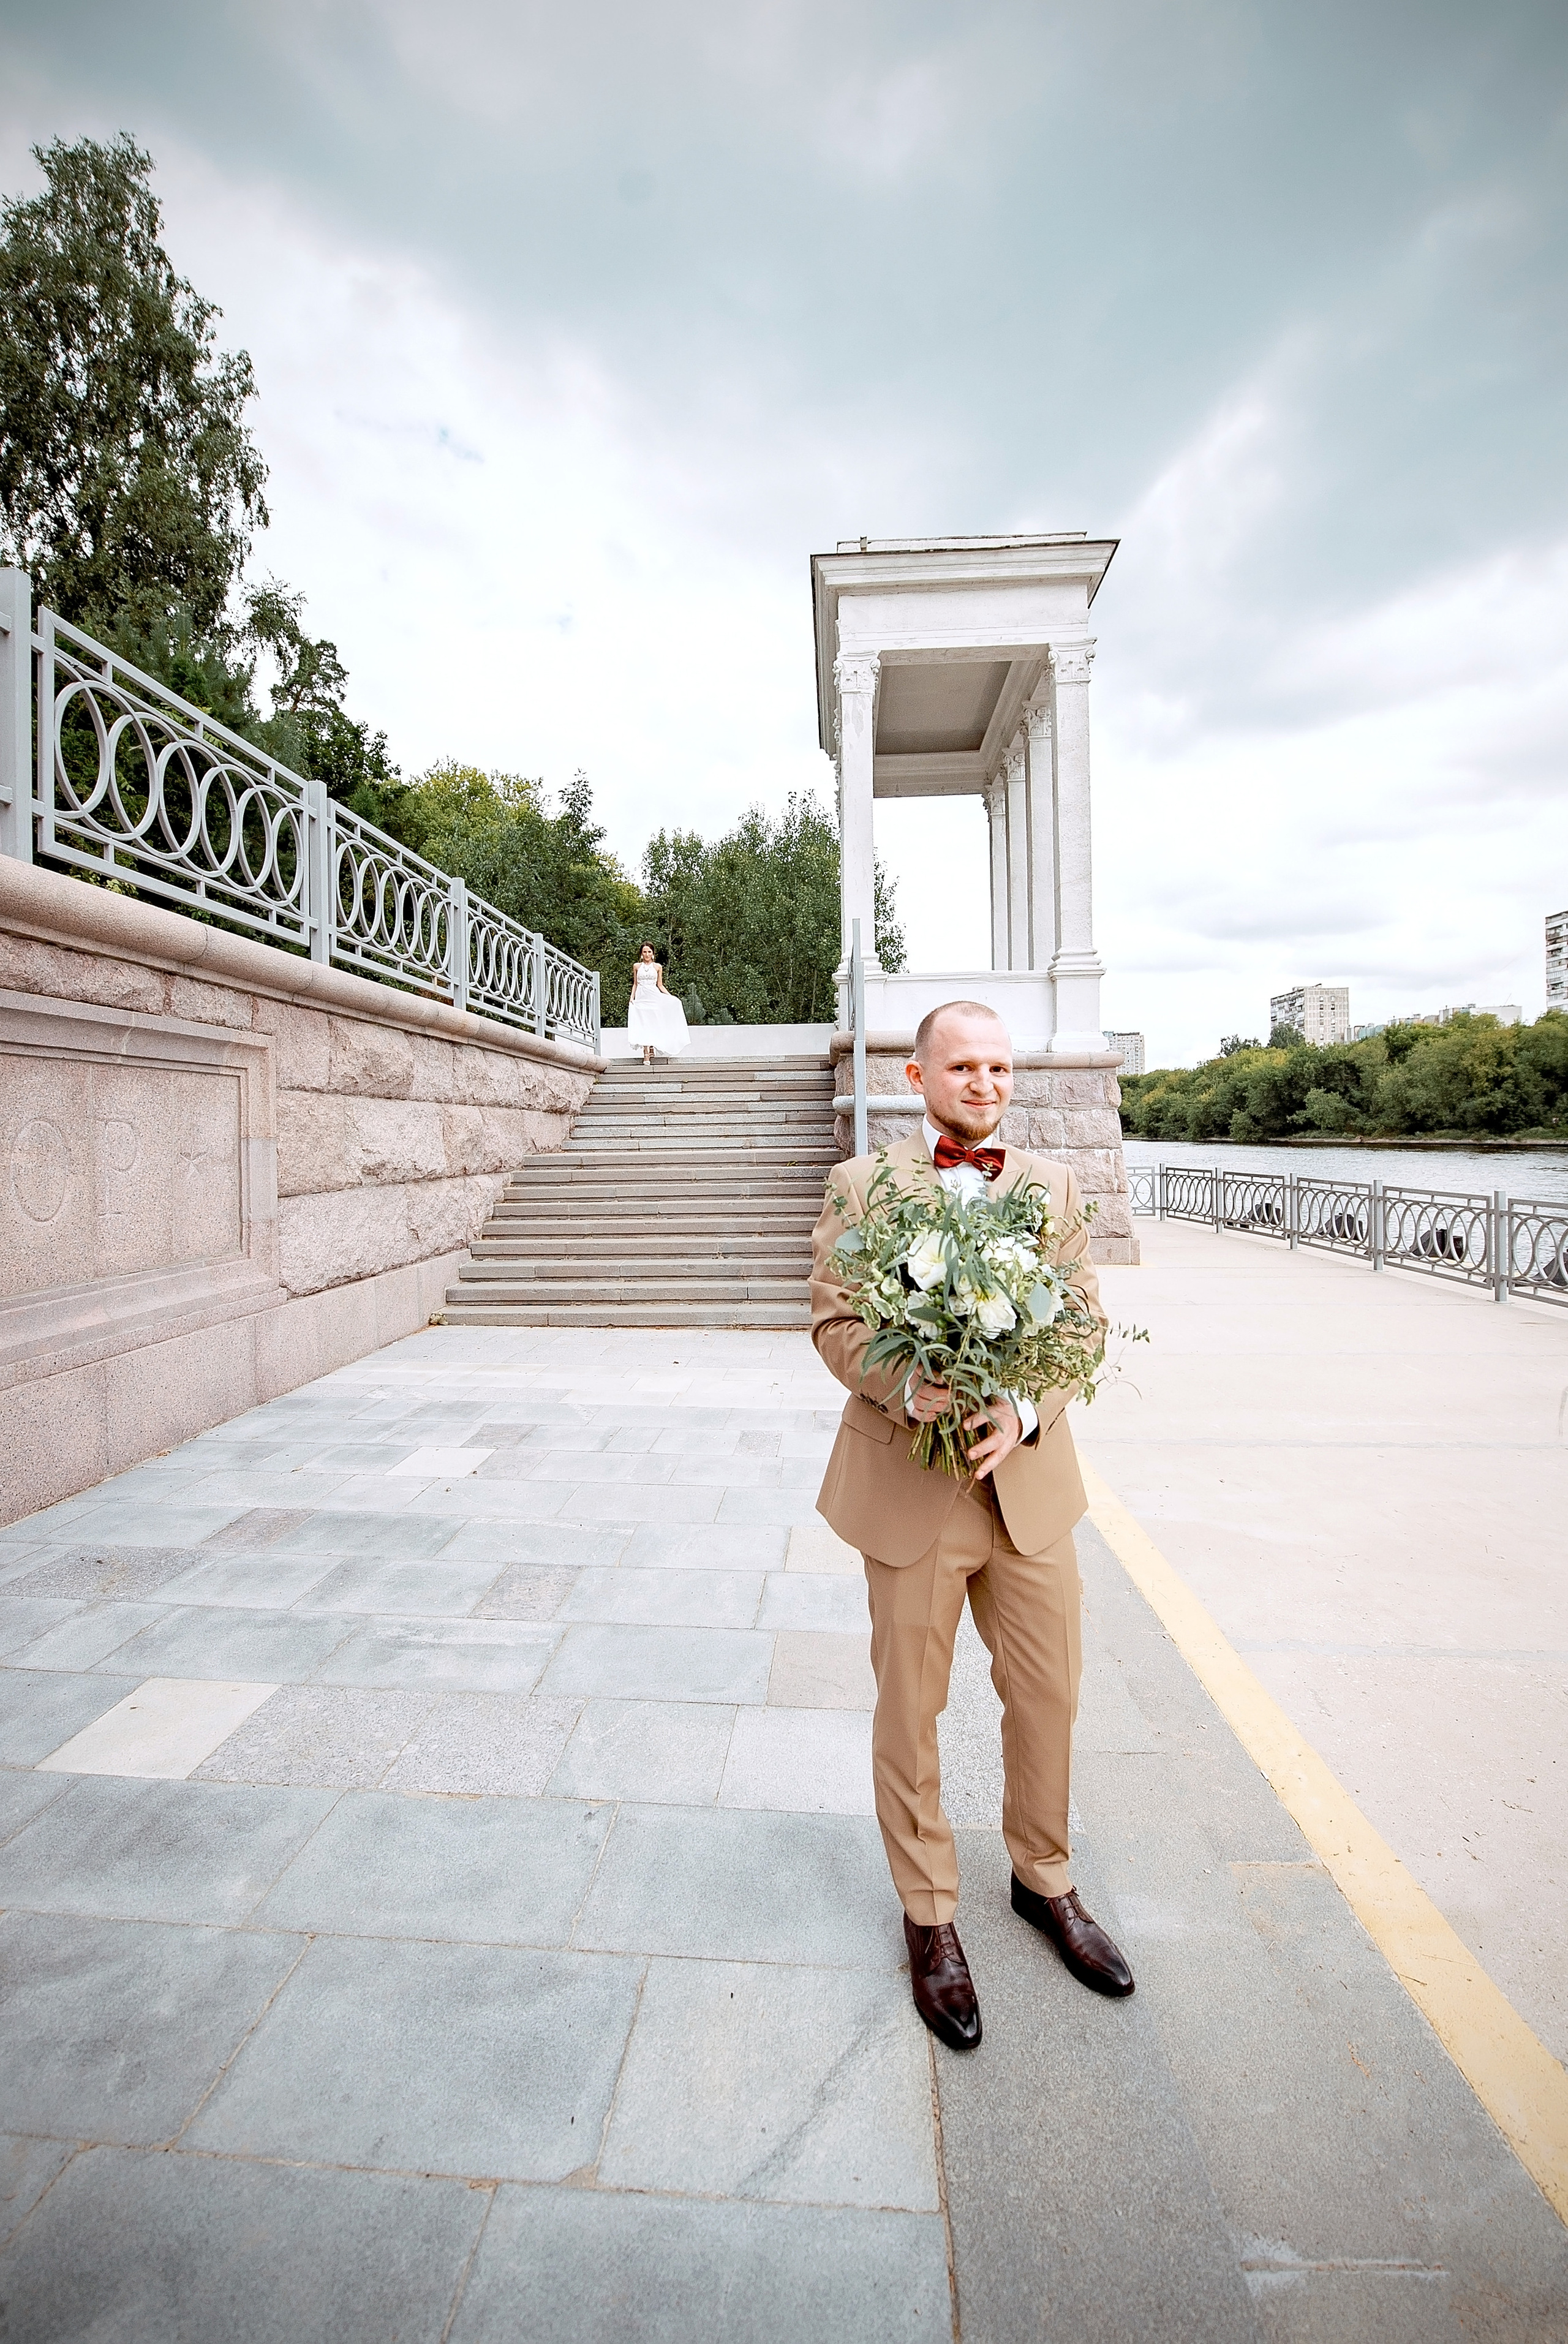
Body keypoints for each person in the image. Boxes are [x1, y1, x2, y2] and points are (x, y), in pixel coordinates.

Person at [809, 999, 1135, 2051]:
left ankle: (1044, 1881)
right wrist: (917, 1393)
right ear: (917, 1078)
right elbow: (835, 1321)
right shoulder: (864, 1188)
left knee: (1048, 1693)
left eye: (1000, 1068)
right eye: (963, 1067)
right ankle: (931, 1915)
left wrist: (1025, 1405)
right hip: (911, 1489)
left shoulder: (1054, 1189)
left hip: (1029, 1491)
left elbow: (1080, 1323)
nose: (985, 1084)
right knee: (911, 1709)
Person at [627, 943, 688, 1066]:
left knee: (652, 1023)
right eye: (645, 952)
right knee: (643, 1023)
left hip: (654, 996)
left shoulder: (658, 967)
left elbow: (660, 985)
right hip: (641, 997)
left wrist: (671, 998)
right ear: (641, 954)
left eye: (649, 952)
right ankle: (646, 1054)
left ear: (653, 953)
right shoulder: (637, 966)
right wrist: (632, 998)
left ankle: (651, 1047)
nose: (647, 954)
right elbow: (635, 984)